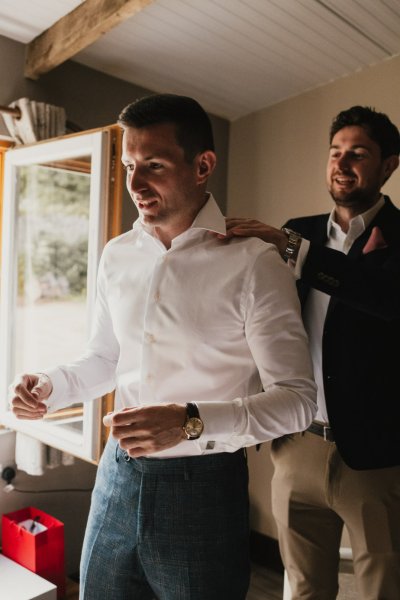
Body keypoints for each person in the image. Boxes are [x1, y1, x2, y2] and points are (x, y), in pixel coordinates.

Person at [9, 94, 316, 600]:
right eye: (130, 165)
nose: (133, 184)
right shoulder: (117, 256)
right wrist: (50, 385)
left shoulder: (255, 265)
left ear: (203, 165)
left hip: (204, 487)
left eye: (152, 165)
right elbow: (106, 359)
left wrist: (190, 420)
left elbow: (297, 401)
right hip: (115, 477)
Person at [223, 105, 400, 600]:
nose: (342, 164)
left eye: (358, 154)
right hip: (296, 446)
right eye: (335, 153)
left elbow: (386, 301)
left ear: (389, 165)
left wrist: (295, 249)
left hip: (376, 457)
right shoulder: (295, 229)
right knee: (301, 589)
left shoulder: (295, 241)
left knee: (382, 590)